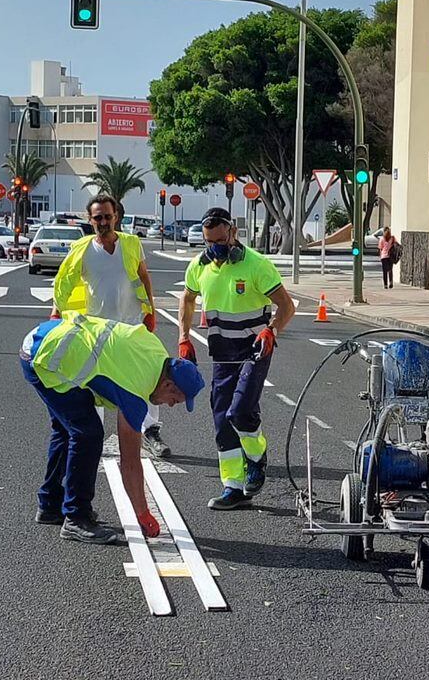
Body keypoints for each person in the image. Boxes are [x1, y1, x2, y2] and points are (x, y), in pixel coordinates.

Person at [21, 311, 204, 544]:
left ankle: (49, 505)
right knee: (88, 434)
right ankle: (76, 518)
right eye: (175, 400)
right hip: (48, 357)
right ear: (169, 384)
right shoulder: (136, 390)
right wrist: (143, 514)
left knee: (67, 429)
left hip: (45, 341)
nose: (170, 405)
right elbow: (129, 462)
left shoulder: (157, 352)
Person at [177, 207, 296, 510]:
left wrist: (272, 330)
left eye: (220, 240)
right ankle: (233, 487)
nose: (215, 248)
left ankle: (256, 458)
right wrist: (184, 336)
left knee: (240, 411)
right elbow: (188, 299)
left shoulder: (257, 265)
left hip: (254, 351)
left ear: (233, 233)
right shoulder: (199, 267)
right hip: (221, 354)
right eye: (209, 242)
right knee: (221, 419)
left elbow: (287, 306)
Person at [54, 194, 172, 458]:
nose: (104, 222)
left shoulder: (131, 243)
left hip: (130, 327)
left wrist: (150, 310)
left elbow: (143, 276)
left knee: (143, 378)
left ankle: (150, 431)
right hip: (96, 330)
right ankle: (90, 434)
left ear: (116, 216)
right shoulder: (82, 249)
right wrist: (56, 314)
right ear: (90, 220)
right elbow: (64, 283)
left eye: (108, 216)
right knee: (91, 381)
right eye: (98, 218)